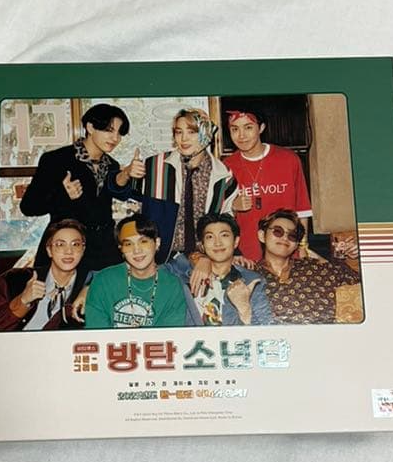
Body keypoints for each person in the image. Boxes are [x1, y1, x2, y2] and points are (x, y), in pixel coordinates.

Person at [20, 102, 144, 271]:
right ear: (90, 127)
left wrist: (128, 173)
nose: (115, 138)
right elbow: (28, 207)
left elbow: (117, 196)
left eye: (119, 133)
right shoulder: (57, 160)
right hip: (69, 249)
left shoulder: (112, 165)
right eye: (109, 130)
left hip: (104, 250)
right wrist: (63, 195)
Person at [131, 108, 238, 263]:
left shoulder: (224, 176)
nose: (184, 138)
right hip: (160, 259)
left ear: (206, 134)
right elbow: (125, 199)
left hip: (205, 259)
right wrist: (127, 174)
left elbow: (227, 223)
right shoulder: (154, 166)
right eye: (179, 132)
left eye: (192, 132)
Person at [224, 109, 312, 261]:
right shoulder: (226, 167)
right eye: (235, 129)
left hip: (286, 253)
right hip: (245, 258)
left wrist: (303, 246)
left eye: (248, 127)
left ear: (261, 128)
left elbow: (302, 209)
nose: (241, 135)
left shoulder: (288, 160)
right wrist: (233, 206)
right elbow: (220, 218)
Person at [254, 209, 360, 324]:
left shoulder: (316, 269)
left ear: (296, 244)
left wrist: (352, 257)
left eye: (292, 236)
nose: (285, 238)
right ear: (262, 236)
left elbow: (358, 280)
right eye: (278, 231)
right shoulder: (248, 275)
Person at [167, 213, 273, 326]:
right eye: (210, 237)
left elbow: (266, 328)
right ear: (202, 245)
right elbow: (159, 270)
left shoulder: (251, 281)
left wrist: (244, 308)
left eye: (224, 235)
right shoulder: (183, 274)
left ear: (236, 242)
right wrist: (198, 257)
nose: (217, 243)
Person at [84, 214, 186, 329]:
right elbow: (97, 333)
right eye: (128, 244)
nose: (137, 250)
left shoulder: (172, 286)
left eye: (143, 241)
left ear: (157, 243)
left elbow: (169, 336)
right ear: (121, 248)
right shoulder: (103, 282)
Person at [0, 219, 88, 331]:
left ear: (83, 250)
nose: (68, 251)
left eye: (76, 244)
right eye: (60, 244)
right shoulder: (13, 278)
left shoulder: (90, 285)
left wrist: (90, 289)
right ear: (49, 250)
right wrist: (23, 301)